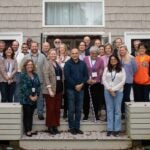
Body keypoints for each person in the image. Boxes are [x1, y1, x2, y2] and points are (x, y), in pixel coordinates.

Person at [64, 48, 88, 135]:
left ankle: (77, 127)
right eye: (73, 53)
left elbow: (86, 76)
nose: (74, 55)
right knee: (71, 109)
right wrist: (75, 85)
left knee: (78, 109)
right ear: (71, 54)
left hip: (81, 90)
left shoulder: (83, 64)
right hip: (71, 90)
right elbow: (67, 77)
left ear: (78, 54)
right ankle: (71, 127)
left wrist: (81, 85)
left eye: (76, 53)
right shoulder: (67, 64)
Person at [102, 55, 126, 137]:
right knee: (109, 110)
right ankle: (110, 129)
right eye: (111, 59)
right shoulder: (106, 69)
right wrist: (110, 89)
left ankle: (117, 129)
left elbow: (123, 81)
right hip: (107, 91)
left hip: (118, 92)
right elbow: (103, 79)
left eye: (114, 59)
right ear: (109, 61)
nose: (113, 60)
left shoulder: (122, 69)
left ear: (117, 60)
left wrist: (114, 89)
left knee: (117, 110)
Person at [23, 41, 47, 120]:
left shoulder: (43, 56)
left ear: (38, 47)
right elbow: (22, 68)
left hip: (39, 81)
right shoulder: (26, 57)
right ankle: (30, 114)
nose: (34, 48)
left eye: (35, 46)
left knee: (40, 98)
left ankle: (40, 113)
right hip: (29, 81)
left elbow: (46, 69)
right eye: (32, 46)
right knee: (29, 97)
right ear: (30, 47)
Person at [43, 49, 63, 135]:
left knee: (57, 109)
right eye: (52, 54)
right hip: (50, 91)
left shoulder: (57, 64)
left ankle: (55, 126)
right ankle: (50, 126)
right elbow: (46, 77)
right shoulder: (46, 64)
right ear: (49, 55)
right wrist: (50, 90)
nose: (53, 55)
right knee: (50, 109)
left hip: (58, 90)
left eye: (55, 54)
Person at [20, 60, 40, 137]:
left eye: (31, 64)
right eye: (28, 64)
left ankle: (30, 129)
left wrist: (36, 96)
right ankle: (27, 130)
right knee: (27, 115)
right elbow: (23, 88)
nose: (30, 66)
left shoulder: (35, 75)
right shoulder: (23, 75)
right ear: (25, 66)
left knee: (31, 115)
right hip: (26, 99)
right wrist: (30, 96)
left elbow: (38, 86)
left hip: (34, 98)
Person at [83, 46, 104, 121]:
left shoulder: (101, 60)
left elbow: (101, 72)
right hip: (87, 82)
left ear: (98, 53)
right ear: (90, 53)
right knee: (86, 99)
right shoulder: (85, 59)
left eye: (95, 53)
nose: (94, 55)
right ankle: (86, 114)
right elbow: (83, 70)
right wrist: (87, 79)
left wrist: (96, 80)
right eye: (92, 53)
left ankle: (95, 114)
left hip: (96, 83)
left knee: (96, 100)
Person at [118, 45, 137, 118]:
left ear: (126, 50)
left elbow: (135, 69)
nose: (121, 51)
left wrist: (130, 75)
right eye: (120, 50)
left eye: (123, 50)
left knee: (126, 97)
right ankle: (121, 112)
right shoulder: (119, 58)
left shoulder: (131, 58)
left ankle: (126, 112)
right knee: (120, 97)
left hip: (128, 81)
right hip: (119, 82)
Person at [57, 43, 70, 119]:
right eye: (60, 48)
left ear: (65, 49)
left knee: (66, 96)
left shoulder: (68, 58)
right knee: (58, 96)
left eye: (63, 47)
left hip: (66, 80)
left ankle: (65, 112)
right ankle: (58, 112)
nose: (61, 49)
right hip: (58, 80)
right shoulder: (56, 57)